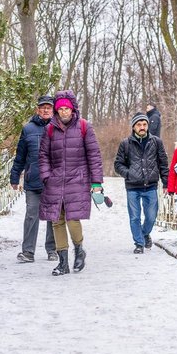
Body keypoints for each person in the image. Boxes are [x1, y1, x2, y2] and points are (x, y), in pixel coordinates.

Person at [38, 90, 104, 276]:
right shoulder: (50, 129)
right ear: (57, 111)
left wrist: (96, 181)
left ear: (72, 109)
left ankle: (79, 249)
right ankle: (63, 262)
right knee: (57, 221)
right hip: (55, 181)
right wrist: (46, 176)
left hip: (78, 180)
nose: (64, 112)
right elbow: (43, 156)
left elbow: (94, 155)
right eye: (61, 109)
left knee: (72, 219)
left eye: (67, 108)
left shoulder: (84, 127)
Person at [9, 95, 58, 263]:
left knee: (53, 216)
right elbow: (20, 156)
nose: (45, 110)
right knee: (31, 215)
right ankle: (28, 252)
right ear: (37, 109)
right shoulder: (28, 129)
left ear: (53, 110)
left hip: (53, 181)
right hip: (33, 180)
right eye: (42, 107)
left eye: (48, 107)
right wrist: (15, 177)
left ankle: (52, 250)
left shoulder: (58, 127)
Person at [113, 112, 169, 254]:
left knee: (151, 216)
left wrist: (166, 183)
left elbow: (163, 163)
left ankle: (144, 234)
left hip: (151, 186)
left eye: (144, 124)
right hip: (133, 187)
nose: (142, 127)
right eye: (139, 124)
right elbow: (118, 164)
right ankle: (139, 243)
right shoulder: (125, 143)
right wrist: (129, 174)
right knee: (135, 217)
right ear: (133, 127)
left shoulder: (156, 142)